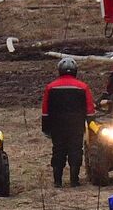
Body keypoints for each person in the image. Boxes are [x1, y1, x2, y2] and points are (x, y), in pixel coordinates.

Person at [39, 56, 95, 188]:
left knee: (58, 150)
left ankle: (57, 181)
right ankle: (74, 181)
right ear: (75, 70)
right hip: (76, 125)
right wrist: (91, 124)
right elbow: (90, 109)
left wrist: (45, 127)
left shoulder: (50, 87)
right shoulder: (83, 87)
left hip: (57, 125)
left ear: (60, 70)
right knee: (75, 150)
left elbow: (45, 110)